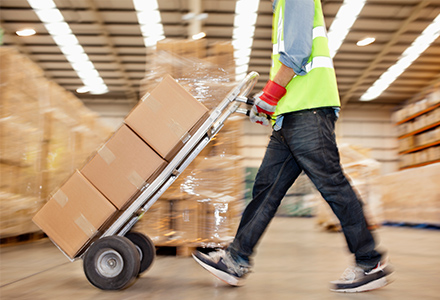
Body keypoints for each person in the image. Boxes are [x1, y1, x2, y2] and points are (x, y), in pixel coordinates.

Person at [192, 0, 393, 293]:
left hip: (309, 112)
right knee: (266, 189)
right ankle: (236, 260)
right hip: (291, 115)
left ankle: (370, 263)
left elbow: (297, 53)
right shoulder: (282, 7)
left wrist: (271, 95)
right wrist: (270, 104)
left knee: (333, 186)